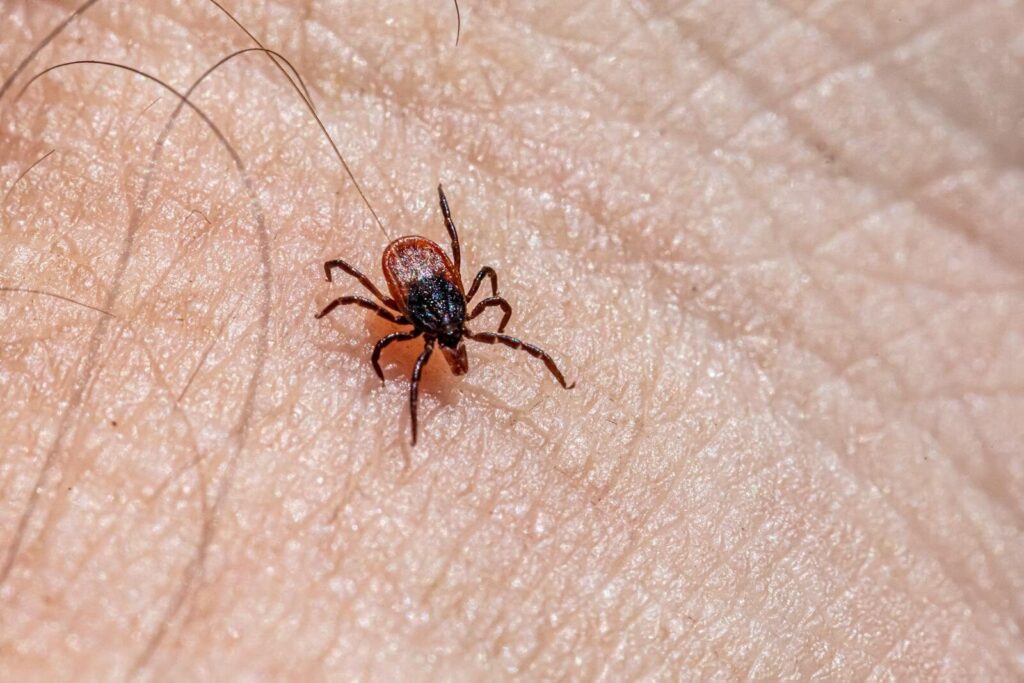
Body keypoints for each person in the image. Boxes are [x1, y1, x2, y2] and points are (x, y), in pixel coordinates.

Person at [0, 1, 1021, 678]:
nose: (445, 348)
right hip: (414, 259)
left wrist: (448, 320)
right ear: (434, 324)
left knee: (417, 304)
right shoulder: (416, 307)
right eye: (439, 345)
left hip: (416, 260)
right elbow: (421, 289)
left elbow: (440, 286)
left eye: (445, 343)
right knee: (387, 311)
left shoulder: (429, 310)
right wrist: (396, 315)